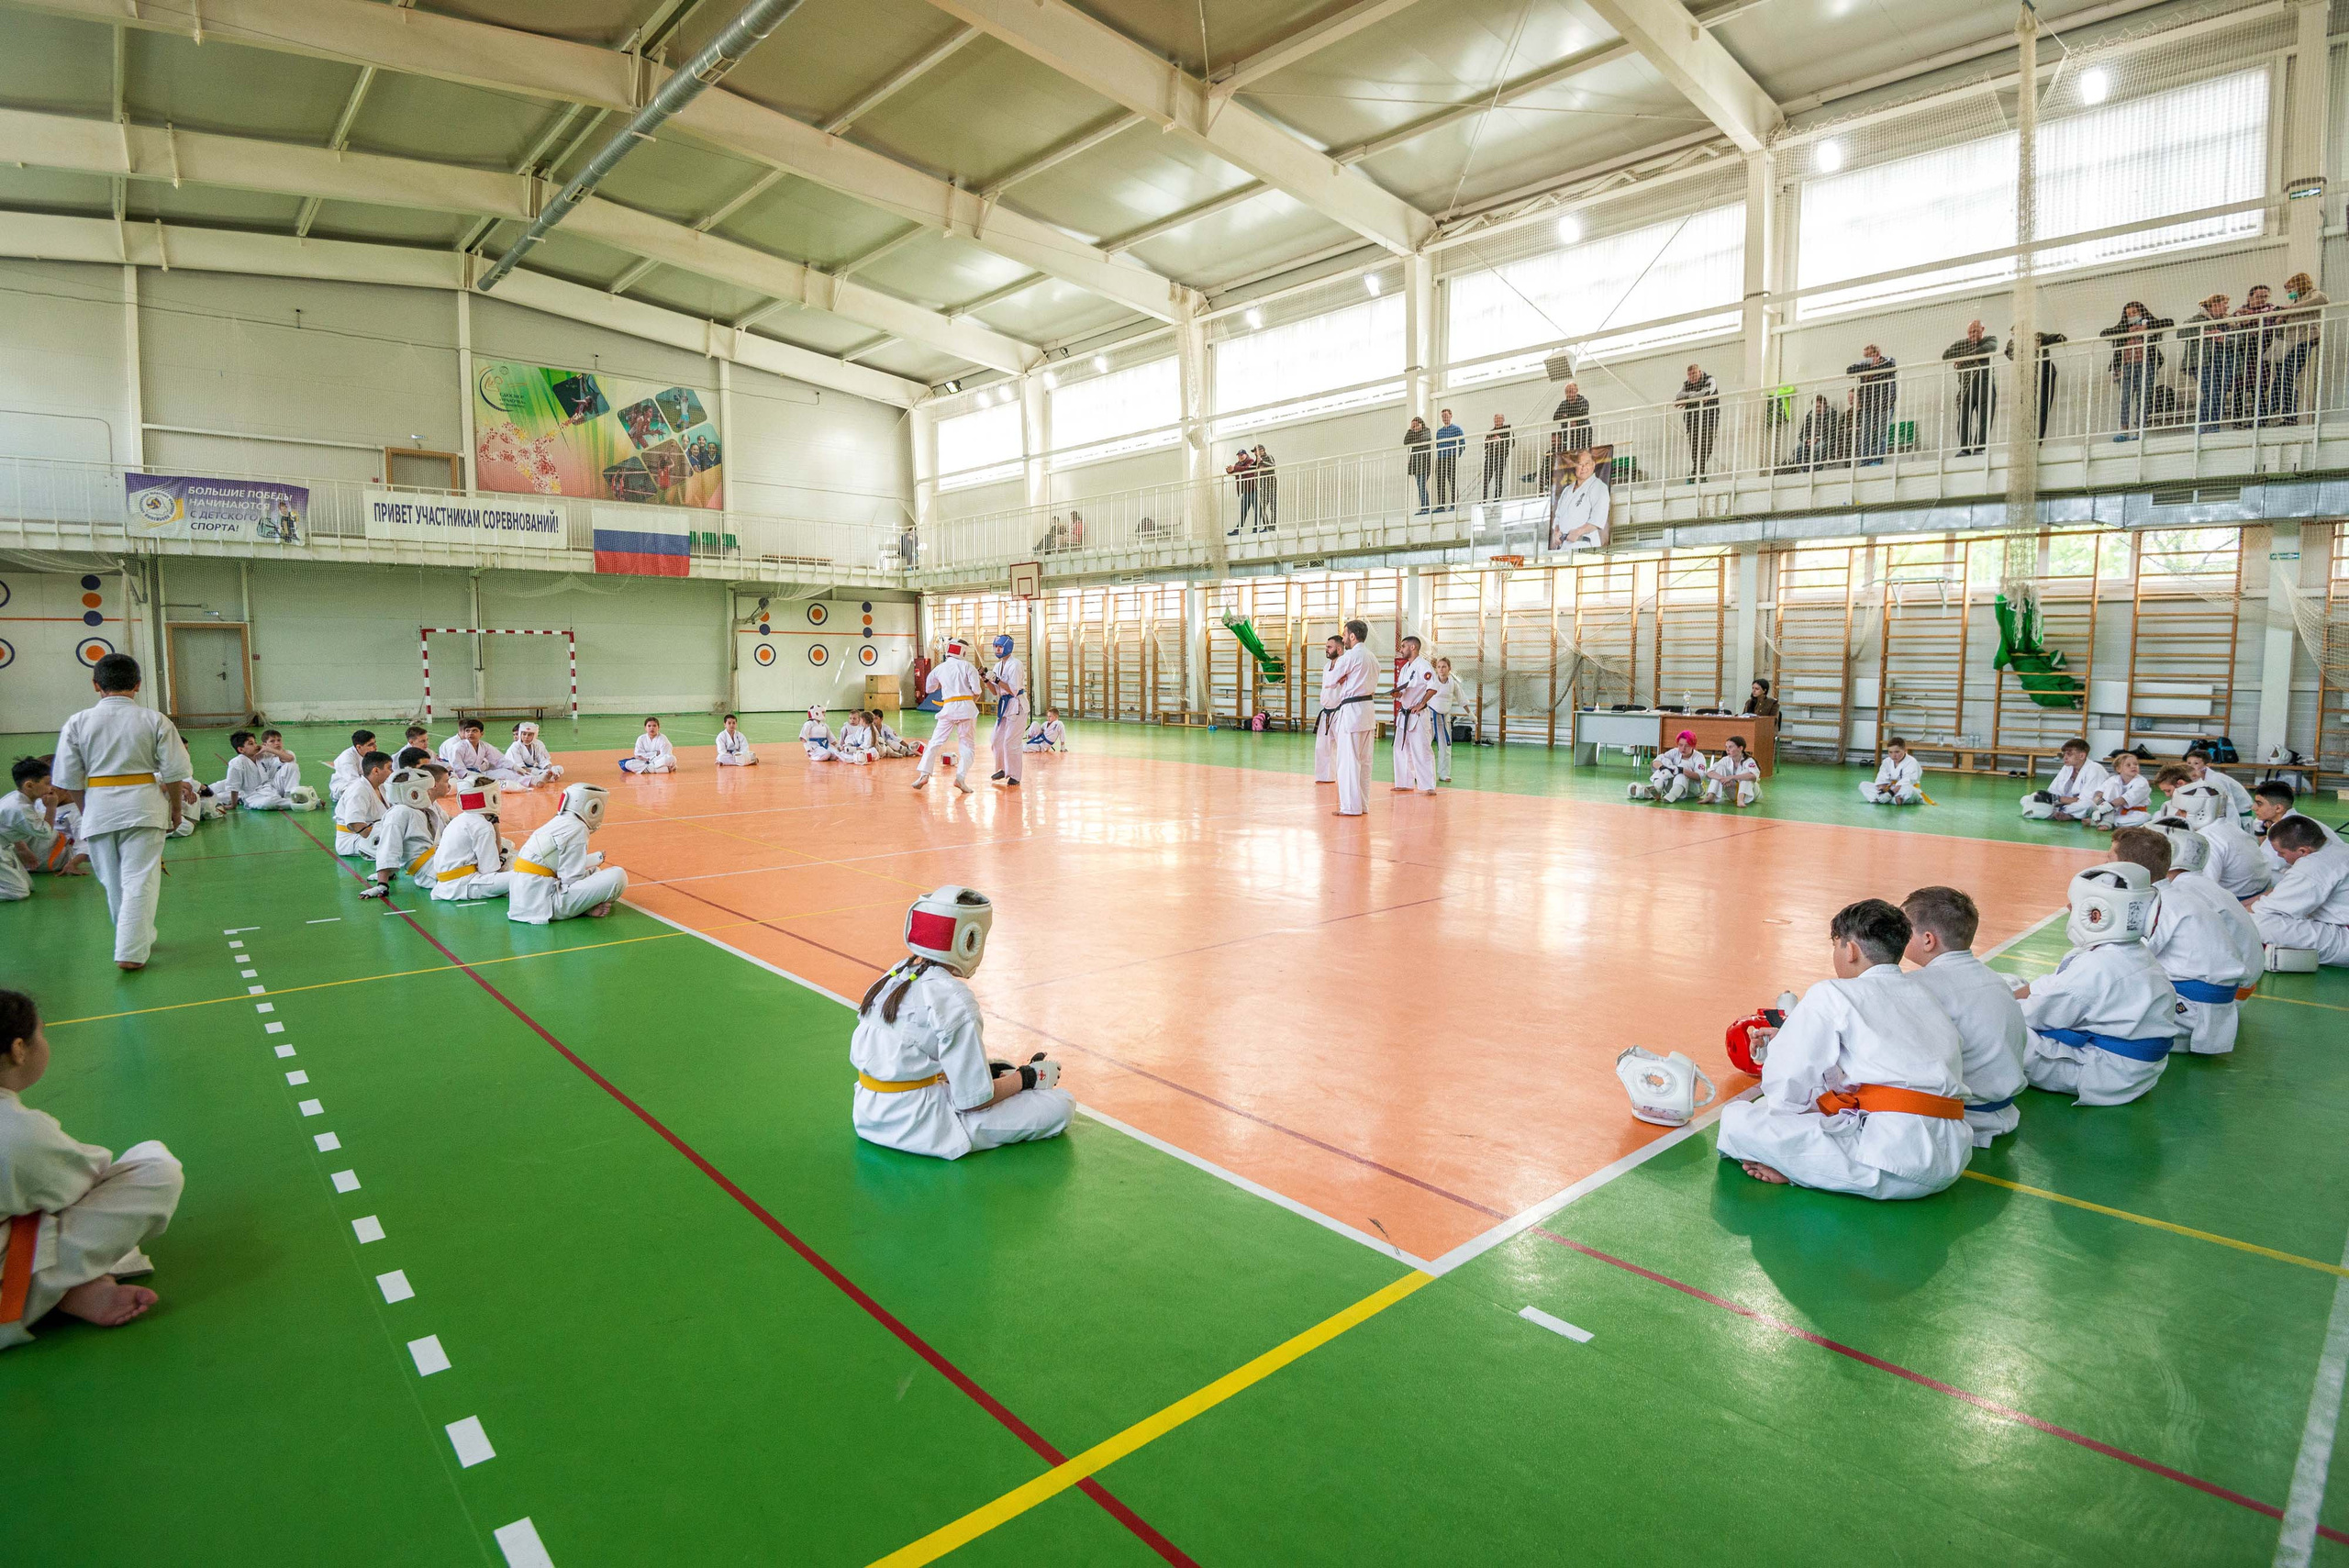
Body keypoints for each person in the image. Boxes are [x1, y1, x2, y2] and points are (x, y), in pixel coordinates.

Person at [1716, 898, 1972, 1199]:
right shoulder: (1923, 993)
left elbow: (1786, 1084)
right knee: (1811, 1110)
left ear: (1849, 950)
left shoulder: (1832, 992)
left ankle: (1798, 1170)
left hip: (1894, 1164)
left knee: (1739, 1121)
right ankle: (1803, 1164)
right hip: (1952, 1155)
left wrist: (1785, 1123)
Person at [0, 990, 184, 1350]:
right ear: (19, 1049)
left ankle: (71, 1290)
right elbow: (84, 1184)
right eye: (42, 1033)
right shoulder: (17, 1133)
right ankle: (59, 1290)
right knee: (156, 1169)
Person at [849, 887, 1071, 1159]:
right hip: (919, 1125)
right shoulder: (954, 998)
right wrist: (1027, 1078)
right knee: (1060, 1105)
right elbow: (974, 1102)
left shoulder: (896, 975)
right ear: (969, 939)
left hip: (869, 1113)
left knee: (996, 1071)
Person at [50, 656, 189, 970]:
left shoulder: (77, 721)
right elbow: (174, 772)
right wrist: (176, 810)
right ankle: (131, 949)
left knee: (113, 881)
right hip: (144, 805)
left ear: (96, 685)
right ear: (138, 685)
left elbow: (70, 779)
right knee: (139, 879)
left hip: (99, 806)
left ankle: (132, 940)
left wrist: (87, 812)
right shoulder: (155, 720)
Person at [2015, 862, 2176, 1106]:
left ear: (2097, 914)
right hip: (2135, 1071)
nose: (2068, 907)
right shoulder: (2130, 951)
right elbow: (2053, 987)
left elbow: (2034, 1015)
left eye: (2077, 905)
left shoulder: (2098, 967)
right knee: (2009, 983)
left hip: (2103, 1072)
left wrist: (1988, 1005)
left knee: (1990, 1029)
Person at [1901, 885, 2027, 1148]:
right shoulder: (1994, 978)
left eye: (1905, 930)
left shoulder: (1918, 986)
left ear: (1927, 940)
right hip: (2003, 1108)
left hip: (1965, 1117)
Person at [2130, 823, 2261, 1055]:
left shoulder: (2178, 892)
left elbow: (2138, 953)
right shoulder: (2202, 885)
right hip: (2233, 991)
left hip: (2208, 1001)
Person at [508, 784, 626, 925]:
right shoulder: (577, 828)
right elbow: (571, 880)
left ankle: (584, 907)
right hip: (543, 905)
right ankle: (585, 909)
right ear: (591, 808)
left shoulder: (558, 822)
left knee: (595, 872)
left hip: (524, 898)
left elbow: (558, 866)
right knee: (618, 876)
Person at [2247, 816, 2349, 967]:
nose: (2279, 856)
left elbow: (2264, 911)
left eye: (2281, 852)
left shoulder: (2313, 866)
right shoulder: (2340, 848)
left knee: (2255, 923)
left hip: (2344, 941)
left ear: (2303, 851)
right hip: (2340, 928)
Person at [2172, 780, 2270, 900]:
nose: (2177, 815)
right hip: (2258, 889)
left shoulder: (2207, 840)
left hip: (2240, 900)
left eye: (2183, 811)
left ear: (2200, 812)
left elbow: (2205, 888)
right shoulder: (2230, 826)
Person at [362, 763, 448, 899]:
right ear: (413, 793)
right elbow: (388, 848)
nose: (430, 791)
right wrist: (382, 884)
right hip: (428, 871)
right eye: (427, 789)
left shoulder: (425, 807)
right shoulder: (399, 812)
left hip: (439, 858)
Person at [426, 774, 513, 904]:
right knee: (524, 875)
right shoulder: (482, 826)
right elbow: (489, 870)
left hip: (445, 884)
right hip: (466, 884)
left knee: (508, 846)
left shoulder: (460, 819)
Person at [913, 637, 982, 793]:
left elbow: (929, 689)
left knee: (935, 742)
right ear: (963, 651)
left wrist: (946, 684)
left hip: (948, 707)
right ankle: (960, 778)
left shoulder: (939, 668)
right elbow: (977, 691)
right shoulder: (968, 666)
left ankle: (924, 774)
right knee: (967, 745)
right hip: (967, 707)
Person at [1329, 619, 1378, 817]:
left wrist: (1342, 678)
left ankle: (1350, 807)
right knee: (1365, 762)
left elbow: (1332, 681)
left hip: (1351, 711)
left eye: (1344, 634)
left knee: (1348, 761)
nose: (1342, 637)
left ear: (1352, 636)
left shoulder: (1350, 656)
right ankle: (1363, 805)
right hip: (1368, 710)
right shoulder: (1372, 657)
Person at [2266, 272, 2328, 425]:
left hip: (2304, 339)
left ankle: (2278, 410)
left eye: (2291, 288)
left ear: (2300, 284)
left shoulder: (2312, 294)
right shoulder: (2295, 303)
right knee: (2283, 376)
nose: (2289, 292)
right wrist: (2284, 316)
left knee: (2286, 373)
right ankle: (2284, 413)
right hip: (2290, 343)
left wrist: (2289, 309)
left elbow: (2323, 299)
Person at [2251, 780, 2341, 873]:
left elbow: (2264, 865)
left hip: (2330, 873)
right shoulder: (2296, 821)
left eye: (2259, 804)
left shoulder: (2287, 830)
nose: (2254, 807)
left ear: (2278, 808)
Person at [1391, 635, 1439, 796]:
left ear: (1413, 647)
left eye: (1404, 646)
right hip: (1404, 714)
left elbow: (1432, 687)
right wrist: (1397, 694)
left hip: (1417, 714)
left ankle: (1428, 786)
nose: (1401, 649)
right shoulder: (1405, 668)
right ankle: (1404, 783)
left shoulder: (1423, 665)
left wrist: (1421, 703)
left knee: (1421, 750)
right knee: (1400, 748)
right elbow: (1403, 690)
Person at [2178, 294, 2232, 430]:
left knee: (2220, 394)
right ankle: (2202, 423)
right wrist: (2206, 333)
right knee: (2212, 393)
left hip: (2224, 361)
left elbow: (2240, 339)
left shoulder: (2229, 321)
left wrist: (2224, 339)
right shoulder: (2197, 319)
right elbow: (2181, 333)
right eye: (2224, 304)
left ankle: (2213, 426)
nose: (2227, 307)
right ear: (2214, 305)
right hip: (2203, 362)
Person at [1942, 321, 1998, 454]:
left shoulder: (1989, 340)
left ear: (1982, 329)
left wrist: (1963, 357)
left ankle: (1979, 448)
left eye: (1976, 331)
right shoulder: (1961, 343)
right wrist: (1968, 357)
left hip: (1984, 384)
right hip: (1966, 386)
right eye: (1970, 332)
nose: (1973, 334)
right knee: (1963, 418)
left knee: (1984, 417)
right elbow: (1946, 355)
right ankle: (1965, 448)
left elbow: (1987, 348)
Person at [2021, 739, 2106, 822]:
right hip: (2065, 804)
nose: (2065, 758)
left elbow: (2088, 800)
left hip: (2091, 805)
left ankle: (2059, 814)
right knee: (2027, 798)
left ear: (2082, 756)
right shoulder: (2067, 768)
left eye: (2069, 754)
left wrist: (2055, 798)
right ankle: (2061, 813)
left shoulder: (2095, 769)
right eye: (2064, 754)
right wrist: (2048, 797)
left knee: (2087, 806)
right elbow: (2054, 791)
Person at [2006, 328, 2067, 440]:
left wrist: (2059, 338)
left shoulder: (2038, 336)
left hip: (2045, 373)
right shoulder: (2013, 343)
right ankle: (2027, 436)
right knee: (2026, 406)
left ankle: (2037, 439)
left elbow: (2057, 338)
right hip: (2028, 376)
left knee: (2043, 407)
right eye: (2014, 334)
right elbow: (2009, 354)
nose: (2015, 335)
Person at [985, 634, 1029, 787]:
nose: (997, 649)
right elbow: (995, 691)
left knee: (1011, 742)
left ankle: (1015, 776)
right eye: (996, 646)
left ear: (1008, 647)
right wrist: (985, 679)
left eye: (1000, 646)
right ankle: (1003, 769)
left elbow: (1013, 691)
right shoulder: (998, 666)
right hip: (1004, 706)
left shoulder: (1015, 665)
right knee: (996, 741)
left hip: (1017, 706)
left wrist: (996, 680)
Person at [332, 751, 393, 860]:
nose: (391, 772)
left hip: (376, 831)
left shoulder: (381, 787)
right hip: (354, 839)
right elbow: (355, 824)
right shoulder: (358, 790)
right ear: (376, 771)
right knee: (395, 848)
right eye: (389, 768)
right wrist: (375, 840)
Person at [1548, 449, 1610, 550]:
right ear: (1575, 466)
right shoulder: (1567, 491)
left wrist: (1579, 532)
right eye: (1580, 464)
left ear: (1593, 465)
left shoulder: (1599, 487)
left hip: (1584, 544)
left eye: (1587, 463)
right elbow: (1558, 517)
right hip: (1563, 546)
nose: (1583, 467)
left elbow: (1598, 519)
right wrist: (1556, 532)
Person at [1847, 345, 1897, 463]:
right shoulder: (1863, 364)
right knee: (1865, 436)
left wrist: (1869, 370)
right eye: (1866, 356)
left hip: (1885, 405)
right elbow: (1849, 370)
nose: (1867, 358)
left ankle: (1877, 461)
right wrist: (1869, 366)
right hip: (1868, 406)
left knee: (1881, 435)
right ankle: (1864, 462)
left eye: (1870, 355)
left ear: (1877, 353)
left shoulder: (1888, 360)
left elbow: (1890, 367)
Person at [217, 731, 290, 812]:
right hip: (251, 796)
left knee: (291, 766)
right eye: (251, 744)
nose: (256, 746)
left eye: (255, 742)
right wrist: (233, 805)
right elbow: (234, 786)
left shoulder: (262, 755)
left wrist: (269, 749)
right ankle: (294, 804)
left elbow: (289, 758)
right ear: (241, 749)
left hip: (269, 789)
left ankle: (294, 799)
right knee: (268, 803)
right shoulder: (236, 762)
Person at [1631, 730, 1707, 803]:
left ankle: (1672, 795)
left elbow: (1700, 776)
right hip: (1671, 786)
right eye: (1680, 745)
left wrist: (1681, 770)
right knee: (1665, 762)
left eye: (1687, 746)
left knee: (1684, 765)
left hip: (1690, 790)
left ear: (1693, 746)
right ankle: (1657, 789)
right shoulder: (1675, 752)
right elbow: (1655, 762)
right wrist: (1663, 767)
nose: (1683, 748)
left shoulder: (1699, 757)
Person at [438, 718, 518, 784]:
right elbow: (458, 769)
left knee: (506, 773)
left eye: (474, 731)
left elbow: (498, 760)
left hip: (478, 773)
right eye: (468, 731)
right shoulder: (456, 746)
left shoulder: (484, 745)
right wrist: (476, 775)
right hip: (461, 777)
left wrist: (514, 767)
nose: (470, 733)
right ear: (464, 733)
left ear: (481, 734)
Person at [2085, 751, 2152, 829]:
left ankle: (2102, 821)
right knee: (2113, 786)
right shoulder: (2113, 780)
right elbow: (2098, 794)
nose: (2133, 766)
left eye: (2136, 764)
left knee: (2145, 818)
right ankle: (2107, 818)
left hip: (2134, 813)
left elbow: (2123, 799)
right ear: (2119, 769)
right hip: (2113, 811)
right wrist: (2101, 805)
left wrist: (2107, 807)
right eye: (2128, 765)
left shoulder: (2142, 782)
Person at [1675, 364, 1720, 481]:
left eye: (1694, 374)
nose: (1692, 377)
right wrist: (1694, 396)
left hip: (1709, 420)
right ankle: (1698, 471)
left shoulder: (1709, 379)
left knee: (1706, 445)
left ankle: (1699, 471)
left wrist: (1688, 399)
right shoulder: (1686, 384)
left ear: (1700, 372)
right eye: (1689, 375)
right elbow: (1678, 395)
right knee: (1694, 447)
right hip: (1693, 421)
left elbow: (1707, 392)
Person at [2184, 747, 2253, 818]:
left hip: (2240, 815)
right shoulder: (2197, 780)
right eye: (2189, 763)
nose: (2191, 766)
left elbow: (2228, 805)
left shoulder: (2216, 779)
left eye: (2196, 763)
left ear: (2206, 766)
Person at [1312, 635, 1343, 786]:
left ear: (1339, 648)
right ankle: (1325, 776)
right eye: (1326, 647)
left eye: (1329, 647)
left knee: (1343, 747)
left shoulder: (1345, 665)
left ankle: (1344, 777)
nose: (1327, 650)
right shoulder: (1327, 666)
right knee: (1322, 746)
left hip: (1340, 710)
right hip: (1326, 710)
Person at [1858, 737, 1923, 805]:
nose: (1893, 755)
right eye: (1890, 752)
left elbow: (1907, 782)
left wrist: (1890, 794)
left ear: (1904, 750)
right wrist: (1882, 792)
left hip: (1904, 789)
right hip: (1890, 788)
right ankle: (1892, 800)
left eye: (1897, 752)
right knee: (1863, 785)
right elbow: (1882, 779)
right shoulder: (1887, 761)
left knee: (1910, 791)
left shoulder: (1911, 762)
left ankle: (1885, 800)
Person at [1702, 736, 1761, 806]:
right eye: (1726, 747)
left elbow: (1753, 776)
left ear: (1740, 748)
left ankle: (1740, 800)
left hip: (1750, 794)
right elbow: (1709, 772)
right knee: (1720, 768)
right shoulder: (1725, 760)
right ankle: (1711, 796)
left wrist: (1732, 777)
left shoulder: (1749, 761)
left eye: (1730, 747)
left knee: (1745, 773)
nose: (1727, 750)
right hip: (1732, 793)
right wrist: (1722, 778)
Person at [1431, 657, 1462, 784]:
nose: (1441, 669)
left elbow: (1462, 699)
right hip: (1430, 718)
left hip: (1444, 719)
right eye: (1439, 667)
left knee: (1445, 747)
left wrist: (1470, 714)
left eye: (1444, 667)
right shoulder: (1431, 680)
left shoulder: (1453, 683)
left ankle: (1444, 773)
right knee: (1424, 746)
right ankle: (1421, 772)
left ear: (1449, 669)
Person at [506, 721, 562, 787]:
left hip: (531, 769)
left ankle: (544, 776)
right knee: (519, 775)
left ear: (534, 735)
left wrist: (552, 769)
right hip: (515, 770)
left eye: (529, 735)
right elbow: (521, 768)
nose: (526, 737)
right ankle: (540, 778)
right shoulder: (514, 747)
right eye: (524, 734)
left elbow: (544, 761)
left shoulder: (538, 744)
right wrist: (539, 772)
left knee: (559, 769)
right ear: (520, 734)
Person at [1794, 394, 1839, 471]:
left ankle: (1817, 471)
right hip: (1810, 440)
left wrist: (1817, 439)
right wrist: (1808, 440)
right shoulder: (1809, 416)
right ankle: (1806, 471)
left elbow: (1832, 432)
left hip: (1825, 440)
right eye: (1815, 407)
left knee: (1818, 447)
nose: (1817, 409)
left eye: (1818, 407)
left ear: (1825, 405)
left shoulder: (1832, 415)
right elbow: (1802, 434)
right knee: (1798, 448)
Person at [328, 729, 378, 797]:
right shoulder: (346, 759)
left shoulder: (370, 753)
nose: (375, 747)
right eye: (370, 745)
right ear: (359, 747)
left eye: (375, 743)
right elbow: (354, 782)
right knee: (360, 793)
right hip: (344, 786)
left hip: (363, 782)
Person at [1433, 409, 1465, 511]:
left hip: (1451, 457)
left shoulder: (1457, 429)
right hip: (1441, 459)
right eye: (1442, 416)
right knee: (1440, 482)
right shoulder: (1439, 432)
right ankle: (1441, 505)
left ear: (1451, 416)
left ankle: (1453, 504)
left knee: (1452, 481)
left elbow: (1462, 444)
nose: (1444, 418)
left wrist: (1456, 455)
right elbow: (1438, 446)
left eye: (1446, 416)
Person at [1225, 447, 1259, 535]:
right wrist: (1229, 470)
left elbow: (1247, 468)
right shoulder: (1238, 464)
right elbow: (1233, 470)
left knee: (1257, 510)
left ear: (1246, 455)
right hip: (1245, 491)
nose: (1240, 457)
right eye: (1239, 455)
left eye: (1241, 455)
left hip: (1253, 489)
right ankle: (1238, 529)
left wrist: (1234, 468)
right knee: (1243, 511)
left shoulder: (1251, 461)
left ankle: (1256, 528)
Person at [1480, 416, 1514, 502]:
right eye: (1496, 419)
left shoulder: (1507, 430)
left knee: (1499, 478)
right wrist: (1491, 440)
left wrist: (1500, 440)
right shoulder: (1491, 432)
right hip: (1490, 457)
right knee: (1486, 479)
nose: (1497, 421)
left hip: (1501, 457)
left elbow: (1512, 443)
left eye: (1499, 419)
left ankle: (1497, 499)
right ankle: (1483, 499)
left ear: (1503, 420)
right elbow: (1485, 445)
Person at [1553, 382, 1593, 453]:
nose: (1569, 393)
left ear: (1576, 390)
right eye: (1567, 391)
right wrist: (1569, 420)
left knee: (1583, 454)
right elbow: (1555, 417)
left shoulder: (1583, 401)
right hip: (1569, 436)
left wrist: (1568, 417)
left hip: (1583, 434)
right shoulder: (1563, 404)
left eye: (1571, 390)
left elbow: (1583, 412)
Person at [1404, 417, 1432, 514]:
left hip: (1424, 464)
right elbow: (1406, 442)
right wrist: (1410, 429)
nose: (1414, 428)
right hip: (1416, 465)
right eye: (1413, 426)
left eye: (1416, 425)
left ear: (1421, 424)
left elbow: (1422, 440)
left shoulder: (1426, 431)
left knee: (1421, 486)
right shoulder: (1413, 433)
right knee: (1420, 487)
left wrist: (1414, 436)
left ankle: (1426, 508)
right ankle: (1424, 507)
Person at [1252, 445, 1278, 528]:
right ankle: (1266, 526)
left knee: (1273, 507)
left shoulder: (1268, 457)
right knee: (1261, 508)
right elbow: (1253, 470)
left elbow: (1273, 465)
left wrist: (1262, 462)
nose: (1255, 453)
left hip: (1272, 485)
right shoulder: (1257, 461)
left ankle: (1273, 525)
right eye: (1255, 452)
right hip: (1263, 487)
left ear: (1262, 450)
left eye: (1256, 451)